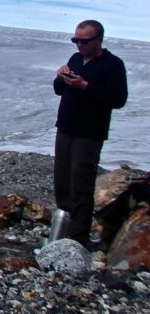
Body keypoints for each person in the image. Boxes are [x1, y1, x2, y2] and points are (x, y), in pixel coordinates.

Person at [53, 20, 128, 247]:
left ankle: (78, 238)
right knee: (62, 181)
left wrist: (85, 85)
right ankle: (61, 230)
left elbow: (118, 99)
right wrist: (61, 76)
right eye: (75, 40)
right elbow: (59, 90)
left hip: (89, 133)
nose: (79, 45)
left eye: (84, 41)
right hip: (65, 128)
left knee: (81, 185)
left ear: (98, 40)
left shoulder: (112, 65)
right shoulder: (75, 59)